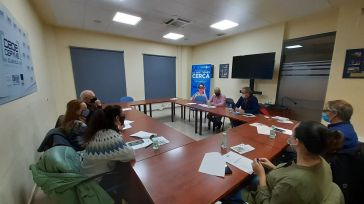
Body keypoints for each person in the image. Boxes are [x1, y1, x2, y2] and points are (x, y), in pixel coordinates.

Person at [230, 121, 344, 204]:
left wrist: (261, 176)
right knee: (248, 179)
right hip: (282, 189)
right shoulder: (322, 162)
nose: (290, 136)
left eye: (292, 134)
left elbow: (268, 201)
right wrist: (273, 167)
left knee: (231, 192)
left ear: (297, 142)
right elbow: (289, 177)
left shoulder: (293, 184)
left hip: (265, 196)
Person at [81, 105, 135, 178]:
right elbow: (130, 155)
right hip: (96, 182)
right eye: (122, 116)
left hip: (87, 176)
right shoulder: (109, 137)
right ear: (117, 118)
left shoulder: (98, 132)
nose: (123, 118)